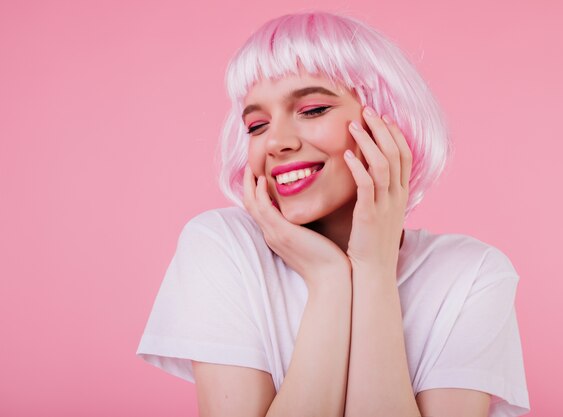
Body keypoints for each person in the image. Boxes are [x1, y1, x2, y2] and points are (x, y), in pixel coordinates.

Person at [137, 11, 530, 417]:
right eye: (256, 125)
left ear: (386, 121)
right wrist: (330, 279)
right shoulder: (222, 245)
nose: (276, 142)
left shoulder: (471, 274)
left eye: (311, 110)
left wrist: (372, 270)